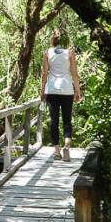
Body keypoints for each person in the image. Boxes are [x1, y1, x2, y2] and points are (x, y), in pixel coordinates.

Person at [40, 29, 82, 161]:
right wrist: (78, 91)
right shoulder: (70, 53)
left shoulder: (47, 52)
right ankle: (67, 147)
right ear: (66, 39)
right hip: (67, 90)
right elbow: (74, 73)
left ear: (53, 39)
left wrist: (42, 91)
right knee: (67, 120)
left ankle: (57, 151)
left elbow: (44, 74)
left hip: (52, 90)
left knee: (54, 121)